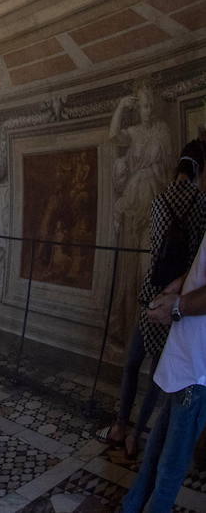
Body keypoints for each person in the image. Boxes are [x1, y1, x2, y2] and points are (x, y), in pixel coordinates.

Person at [103, 141, 206, 458]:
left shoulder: (160, 200)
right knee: (157, 375)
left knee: (132, 362)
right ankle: (136, 434)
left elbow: (155, 248)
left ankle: (120, 425)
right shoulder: (202, 204)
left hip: (153, 293)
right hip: (181, 298)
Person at [127, 225, 206, 512]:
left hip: (199, 368)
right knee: (155, 453)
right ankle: (132, 506)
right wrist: (182, 282)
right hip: (185, 356)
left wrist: (178, 305)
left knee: (170, 467)